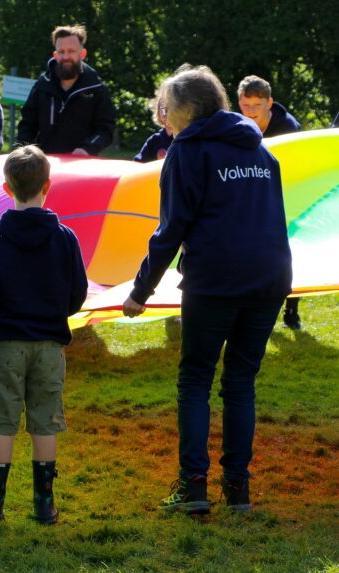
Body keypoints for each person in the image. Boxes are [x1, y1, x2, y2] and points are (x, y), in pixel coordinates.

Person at [122, 66, 292, 515]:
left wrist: (140, 291)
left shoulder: (187, 152)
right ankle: (238, 489)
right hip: (269, 277)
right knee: (240, 383)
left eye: (166, 107)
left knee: (196, 379)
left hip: (216, 280)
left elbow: (171, 229)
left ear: (183, 111)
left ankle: (194, 486)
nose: (163, 116)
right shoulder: (261, 152)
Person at [0, 145, 88, 524]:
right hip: (50, 343)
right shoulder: (65, 238)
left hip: (6, 343)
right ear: (48, 186)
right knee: (45, 419)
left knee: (2, 421)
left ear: (7, 189)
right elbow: (77, 294)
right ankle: (44, 503)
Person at [237, 75, 302, 330]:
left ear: (269, 103)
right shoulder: (237, 126)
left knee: (288, 252)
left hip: (287, 195)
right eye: (246, 106)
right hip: (250, 197)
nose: (251, 112)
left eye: (257, 106)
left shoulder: (288, 128)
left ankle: (292, 310)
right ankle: (250, 306)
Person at [16, 25, 116, 156]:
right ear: (55, 55)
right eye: (61, 52)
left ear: (83, 54)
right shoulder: (41, 87)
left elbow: (106, 130)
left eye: (71, 51)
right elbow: (27, 126)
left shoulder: (97, 89)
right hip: (44, 165)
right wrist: (23, 153)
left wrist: (87, 149)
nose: (66, 56)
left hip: (83, 165)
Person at [134, 94, 173, 162]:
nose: (165, 112)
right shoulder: (154, 140)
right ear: (158, 112)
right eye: (162, 108)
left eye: (170, 107)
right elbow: (139, 164)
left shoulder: (185, 139)